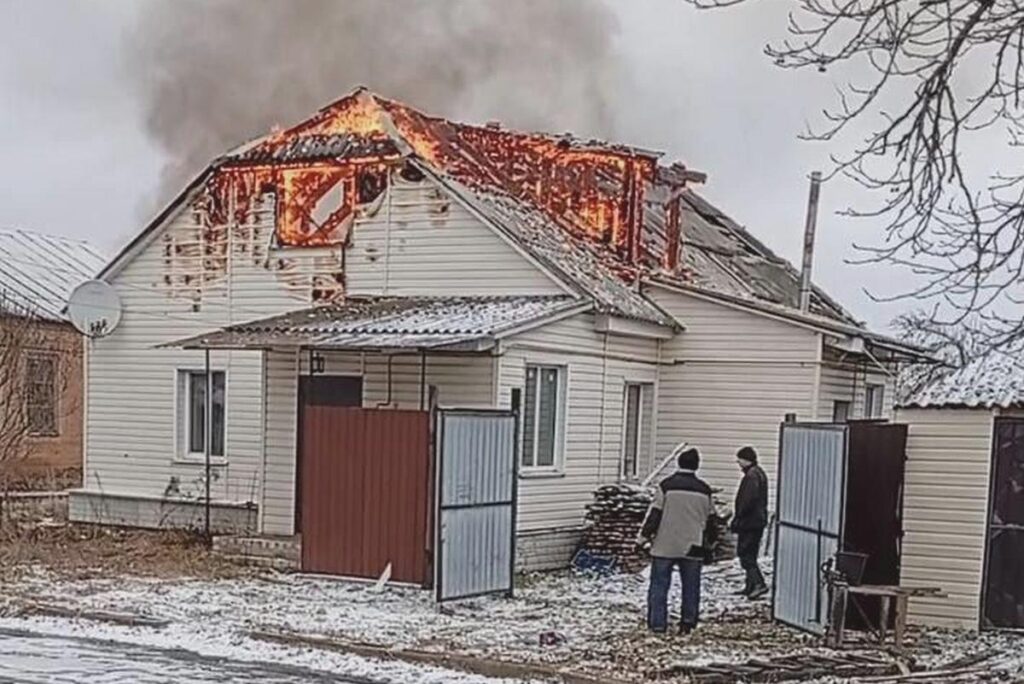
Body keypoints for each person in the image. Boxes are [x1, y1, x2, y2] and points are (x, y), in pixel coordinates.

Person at [640, 447, 715, 634]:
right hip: (694, 545)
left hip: (665, 544)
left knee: (659, 585)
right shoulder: (705, 490)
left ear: (678, 463)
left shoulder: (666, 486)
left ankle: (657, 624)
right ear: (697, 466)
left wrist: (642, 538)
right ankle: (687, 623)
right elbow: (712, 521)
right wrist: (710, 545)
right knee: (691, 586)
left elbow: (655, 514)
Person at [731, 445, 769, 600]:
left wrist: (739, 517)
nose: (738, 463)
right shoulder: (758, 473)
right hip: (756, 521)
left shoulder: (751, 476)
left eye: (739, 459)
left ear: (746, 460)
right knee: (750, 553)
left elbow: (747, 500)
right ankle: (750, 585)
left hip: (750, 522)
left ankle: (759, 583)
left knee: (746, 554)